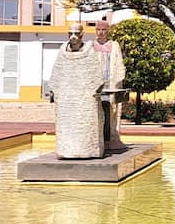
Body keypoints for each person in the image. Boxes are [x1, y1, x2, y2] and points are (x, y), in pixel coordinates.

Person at [48, 20, 105, 158]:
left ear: (82, 35)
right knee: (67, 125)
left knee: (86, 123)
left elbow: (97, 75)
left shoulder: (89, 52)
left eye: (76, 33)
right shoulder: (62, 52)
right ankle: (66, 150)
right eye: (70, 33)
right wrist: (54, 89)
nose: (73, 36)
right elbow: (56, 72)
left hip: (85, 97)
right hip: (67, 98)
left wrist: (95, 89)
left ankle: (89, 150)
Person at [91, 16, 127, 147]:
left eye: (103, 30)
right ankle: (96, 140)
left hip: (111, 85)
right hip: (95, 87)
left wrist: (118, 80)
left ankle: (112, 138)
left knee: (112, 112)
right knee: (95, 112)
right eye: (98, 29)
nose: (100, 32)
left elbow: (120, 65)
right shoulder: (90, 46)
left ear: (108, 31)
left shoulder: (114, 45)